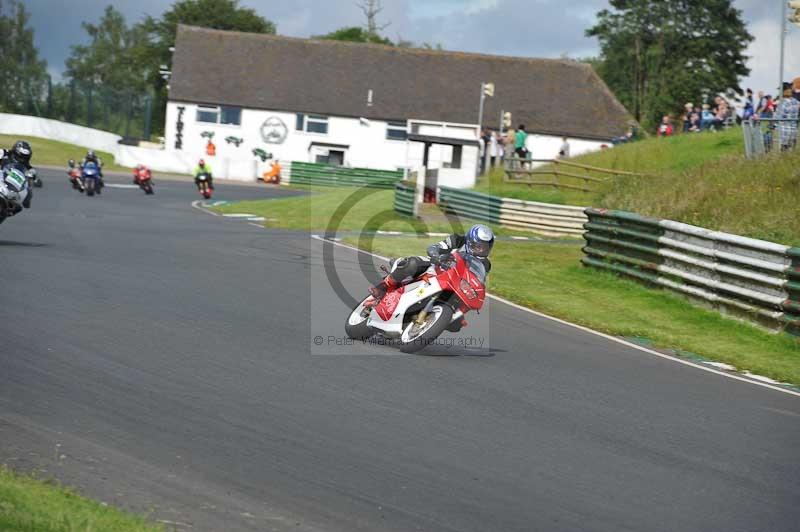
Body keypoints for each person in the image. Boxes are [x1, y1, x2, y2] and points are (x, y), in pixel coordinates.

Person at [368, 224, 495, 303]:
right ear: (470, 242)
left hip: (454, 285)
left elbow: (477, 282)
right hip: (436, 268)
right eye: (478, 246)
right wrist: (436, 256)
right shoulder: (457, 240)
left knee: (457, 321)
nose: (482, 250)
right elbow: (435, 247)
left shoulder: (485, 264)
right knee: (412, 264)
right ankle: (382, 287)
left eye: (485, 247)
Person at [0, 140, 34, 211]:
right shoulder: (4, 153)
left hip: (11, 188)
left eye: (24, 158)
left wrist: (34, 178)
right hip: (1, 175)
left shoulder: (26, 166)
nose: (22, 160)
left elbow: (32, 174)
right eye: (20, 157)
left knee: (18, 208)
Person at [776, 84, 799, 151]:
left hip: (784, 130)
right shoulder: (795, 101)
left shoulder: (783, 102)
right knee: (791, 149)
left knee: (783, 149)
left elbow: (779, 115)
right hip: (793, 129)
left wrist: (773, 125)